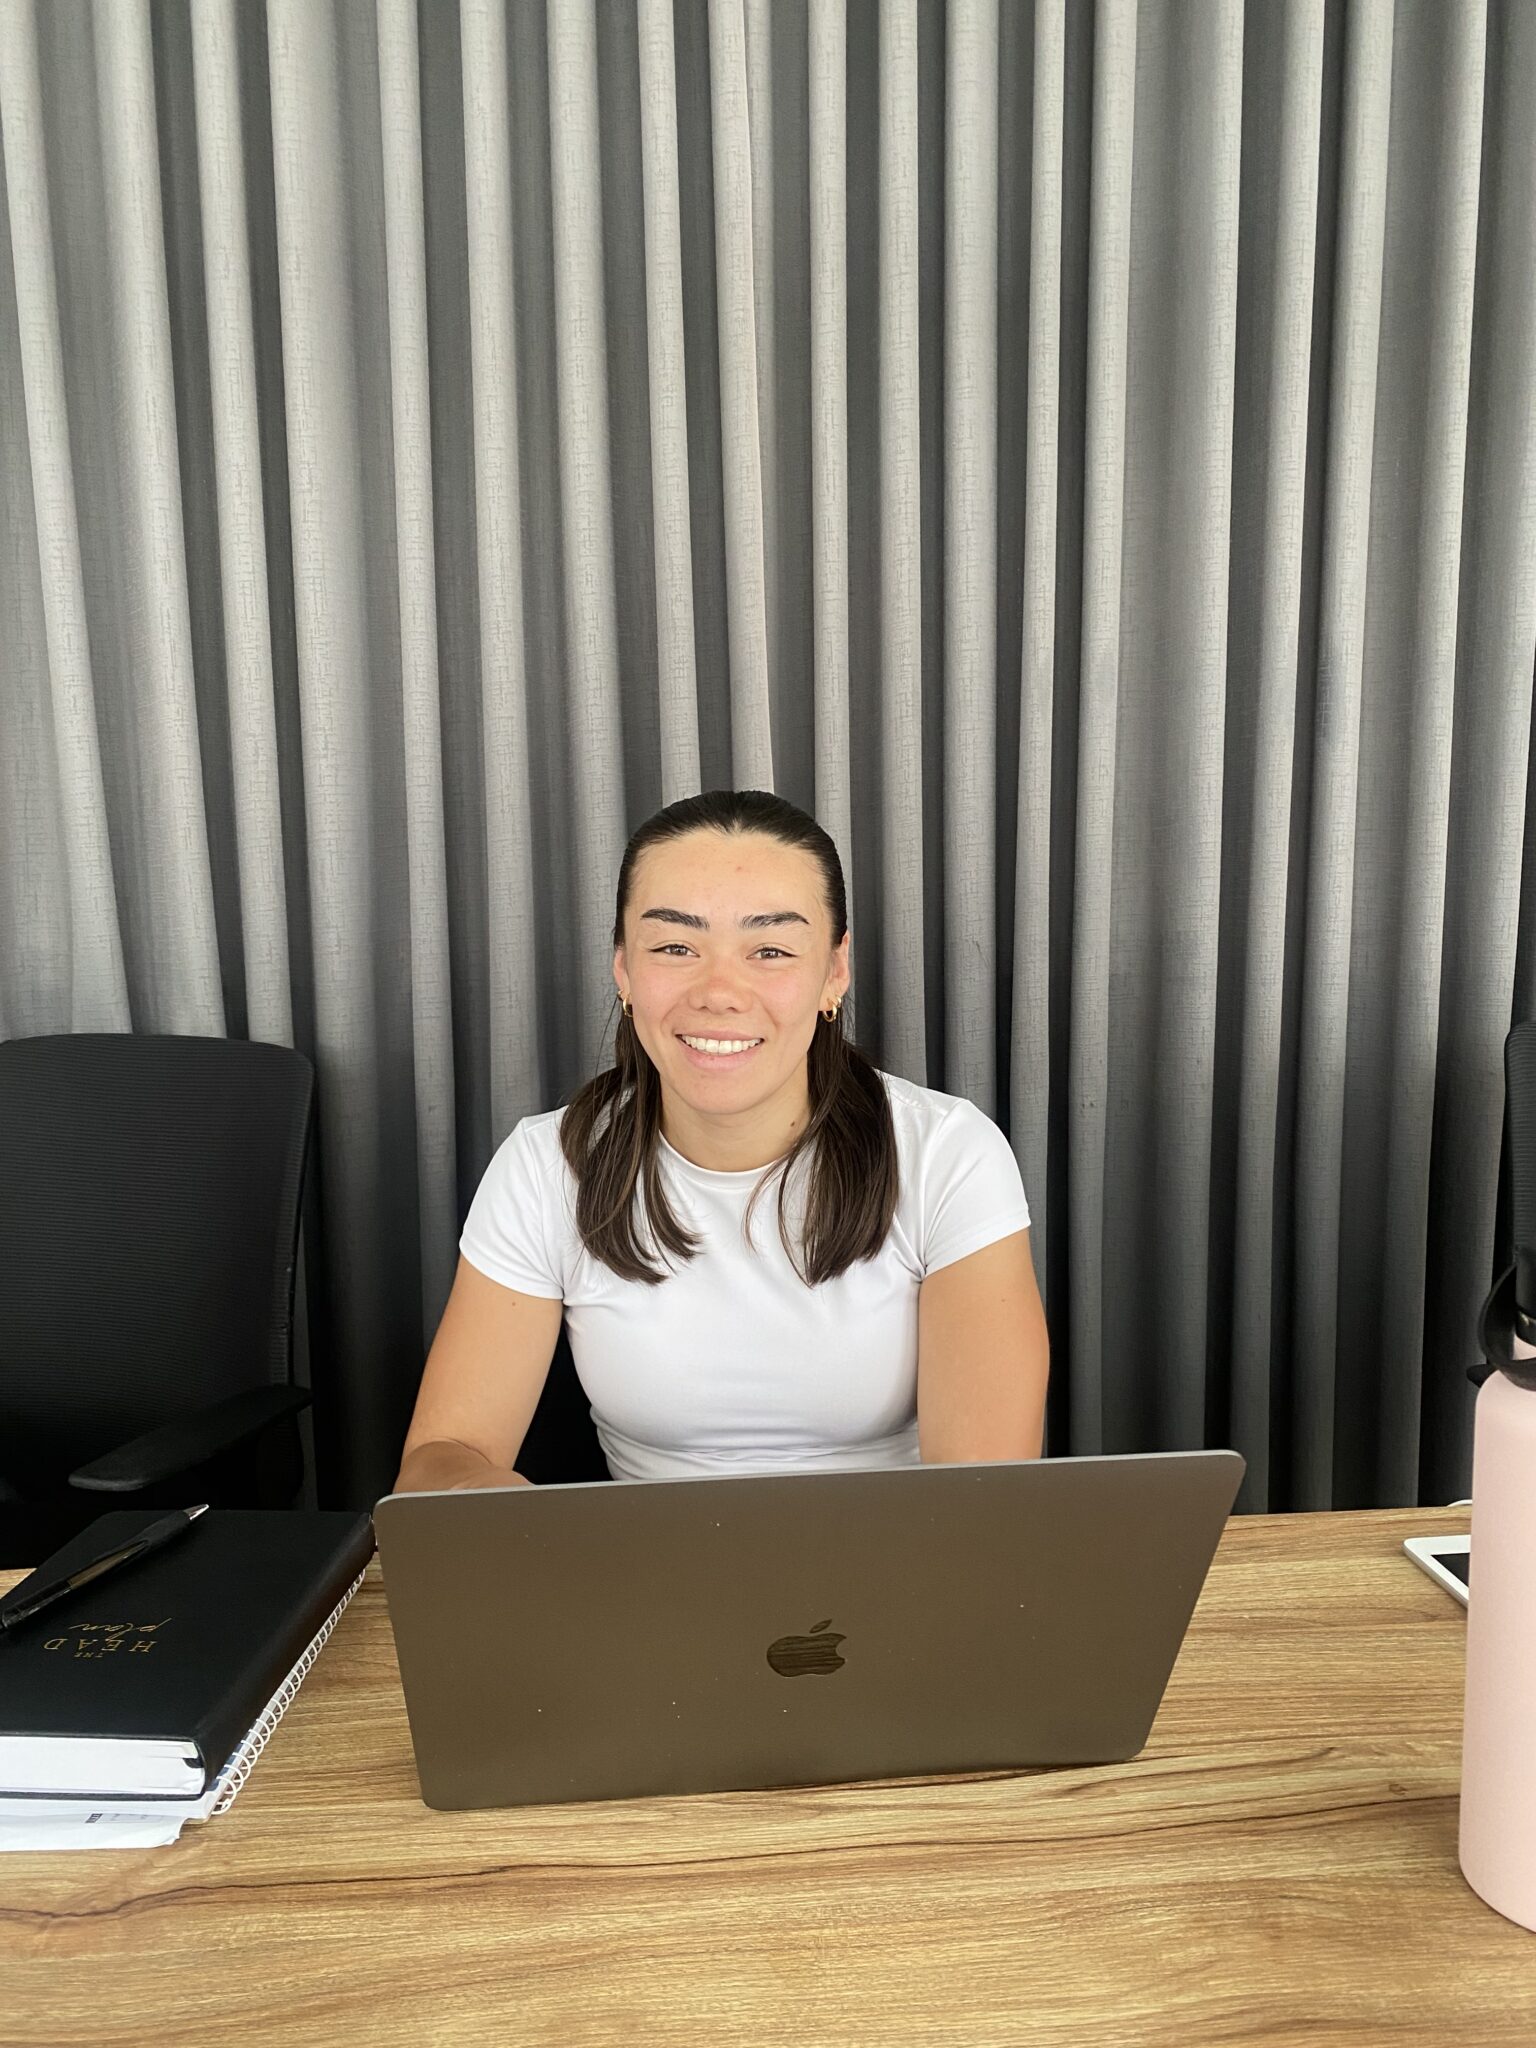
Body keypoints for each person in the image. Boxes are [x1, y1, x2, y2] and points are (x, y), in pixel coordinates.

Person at [393, 789, 1049, 1493]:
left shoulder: (947, 1154)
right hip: (640, 1579)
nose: (719, 991)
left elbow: (982, 1500)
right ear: (623, 969)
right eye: (675, 946)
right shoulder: (545, 1166)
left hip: (894, 1578)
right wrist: (474, 1495)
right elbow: (444, 1453)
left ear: (834, 970)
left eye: (769, 949)